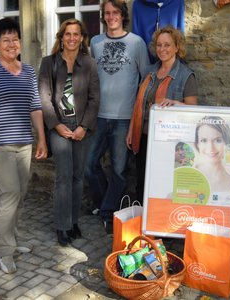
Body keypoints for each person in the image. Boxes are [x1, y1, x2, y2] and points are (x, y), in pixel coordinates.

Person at [0, 18, 47, 274]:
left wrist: (42, 139)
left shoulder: (28, 71)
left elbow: (35, 106)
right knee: (10, 194)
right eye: (5, 40)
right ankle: (5, 252)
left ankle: (12, 242)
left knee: (21, 193)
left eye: (15, 39)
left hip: (24, 142)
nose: (11, 44)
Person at [85, 0, 150, 233]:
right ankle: (107, 204)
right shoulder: (95, 42)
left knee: (119, 170)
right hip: (98, 116)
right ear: (103, 16)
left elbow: (146, 79)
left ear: (123, 15)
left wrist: (139, 112)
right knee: (89, 166)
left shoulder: (137, 43)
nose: (111, 17)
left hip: (124, 118)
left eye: (116, 13)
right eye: (107, 13)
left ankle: (107, 212)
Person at [38, 19, 100, 246]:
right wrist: (55, 125)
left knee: (77, 176)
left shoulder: (89, 63)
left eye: (76, 34)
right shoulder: (49, 63)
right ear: (61, 37)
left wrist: (84, 126)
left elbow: (95, 98)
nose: (72, 38)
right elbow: (44, 98)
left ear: (82, 38)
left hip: (82, 125)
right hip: (59, 125)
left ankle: (74, 222)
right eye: (68, 34)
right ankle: (62, 226)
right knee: (64, 176)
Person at [126, 25, 198, 204]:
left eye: (167, 45)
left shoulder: (185, 75)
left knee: (163, 185)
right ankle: (142, 226)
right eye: (159, 45)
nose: (162, 49)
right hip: (143, 136)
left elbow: (193, 109)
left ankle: (160, 227)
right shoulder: (150, 72)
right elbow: (138, 104)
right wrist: (130, 131)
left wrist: (176, 104)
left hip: (168, 142)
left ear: (176, 47)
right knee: (142, 182)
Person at [194, 116, 230, 193]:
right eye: (204, 140)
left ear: (227, 144)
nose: (210, 148)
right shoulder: (185, 174)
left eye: (218, 140)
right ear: (197, 145)